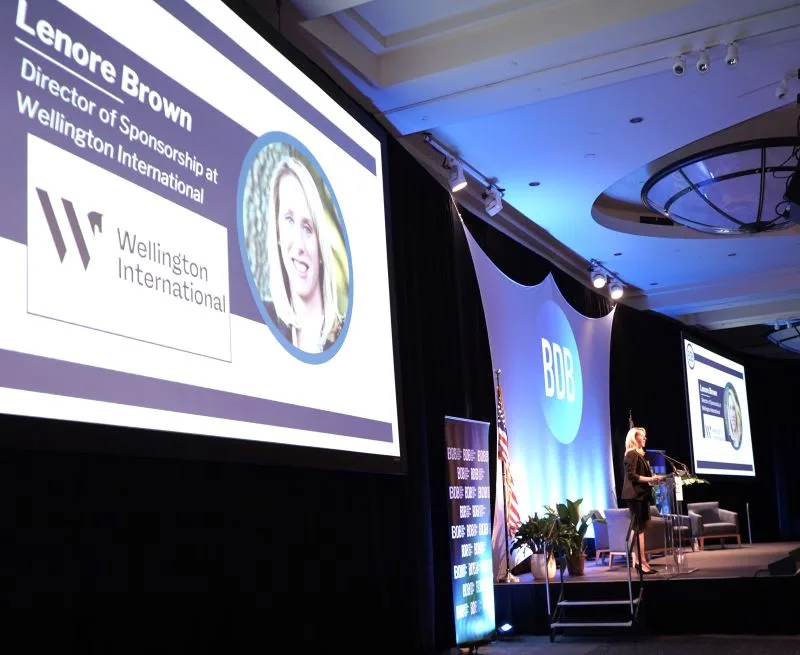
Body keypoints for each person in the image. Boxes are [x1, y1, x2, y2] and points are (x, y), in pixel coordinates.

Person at [264, 156, 343, 354]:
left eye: (308, 228)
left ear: (321, 247)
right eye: (289, 220)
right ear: (277, 233)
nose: (299, 245)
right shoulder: (264, 320)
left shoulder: (345, 336)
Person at [621, 426, 659, 574]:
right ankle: (639, 561)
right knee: (638, 528)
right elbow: (632, 476)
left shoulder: (638, 454)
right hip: (634, 495)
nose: (645, 438)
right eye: (642, 436)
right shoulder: (631, 454)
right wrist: (650, 479)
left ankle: (640, 561)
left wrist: (653, 480)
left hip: (641, 495)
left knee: (639, 528)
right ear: (634, 438)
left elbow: (641, 476)